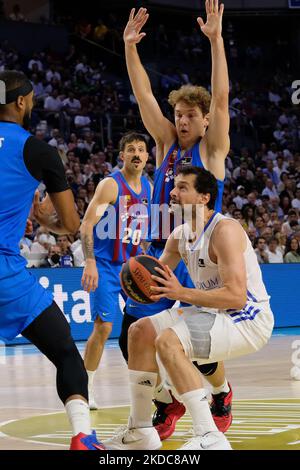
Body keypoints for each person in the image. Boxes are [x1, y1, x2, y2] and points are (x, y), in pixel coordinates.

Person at [120, 1, 232, 438]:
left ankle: (219, 392)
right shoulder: (165, 143)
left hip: (200, 256)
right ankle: (165, 405)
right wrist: (130, 49)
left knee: (193, 345)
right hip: (161, 251)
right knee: (142, 334)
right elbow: (144, 95)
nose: (183, 121)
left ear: (205, 122)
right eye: (179, 114)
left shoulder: (212, 149)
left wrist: (216, 41)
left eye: (191, 116)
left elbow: (221, 97)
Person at [104, 167, 274, 450]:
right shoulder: (180, 235)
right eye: (174, 187)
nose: (173, 192)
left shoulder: (225, 230)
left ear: (204, 197)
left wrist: (181, 292)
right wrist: (132, 278)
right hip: (211, 312)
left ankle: (209, 435)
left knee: (169, 341)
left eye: (183, 188)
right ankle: (141, 430)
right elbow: (156, 280)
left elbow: (236, 297)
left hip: (247, 319)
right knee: (140, 331)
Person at [0, 70, 104, 450]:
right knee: (65, 354)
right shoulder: (39, 151)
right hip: (5, 277)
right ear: (22, 102)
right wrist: (47, 222)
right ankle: (83, 436)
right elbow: (73, 224)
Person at [80, 132, 151, 409]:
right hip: (106, 267)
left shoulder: (148, 186)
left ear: (147, 156)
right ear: (121, 155)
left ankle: (154, 385)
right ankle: (85, 386)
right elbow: (87, 224)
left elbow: (141, 228)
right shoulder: (111, 185)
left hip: (132, 268)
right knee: (104, 327)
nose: (136, 153)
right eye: (131, 149)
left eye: (141, 149)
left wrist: (145, 251)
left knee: (146, 327)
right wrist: (90, 262)